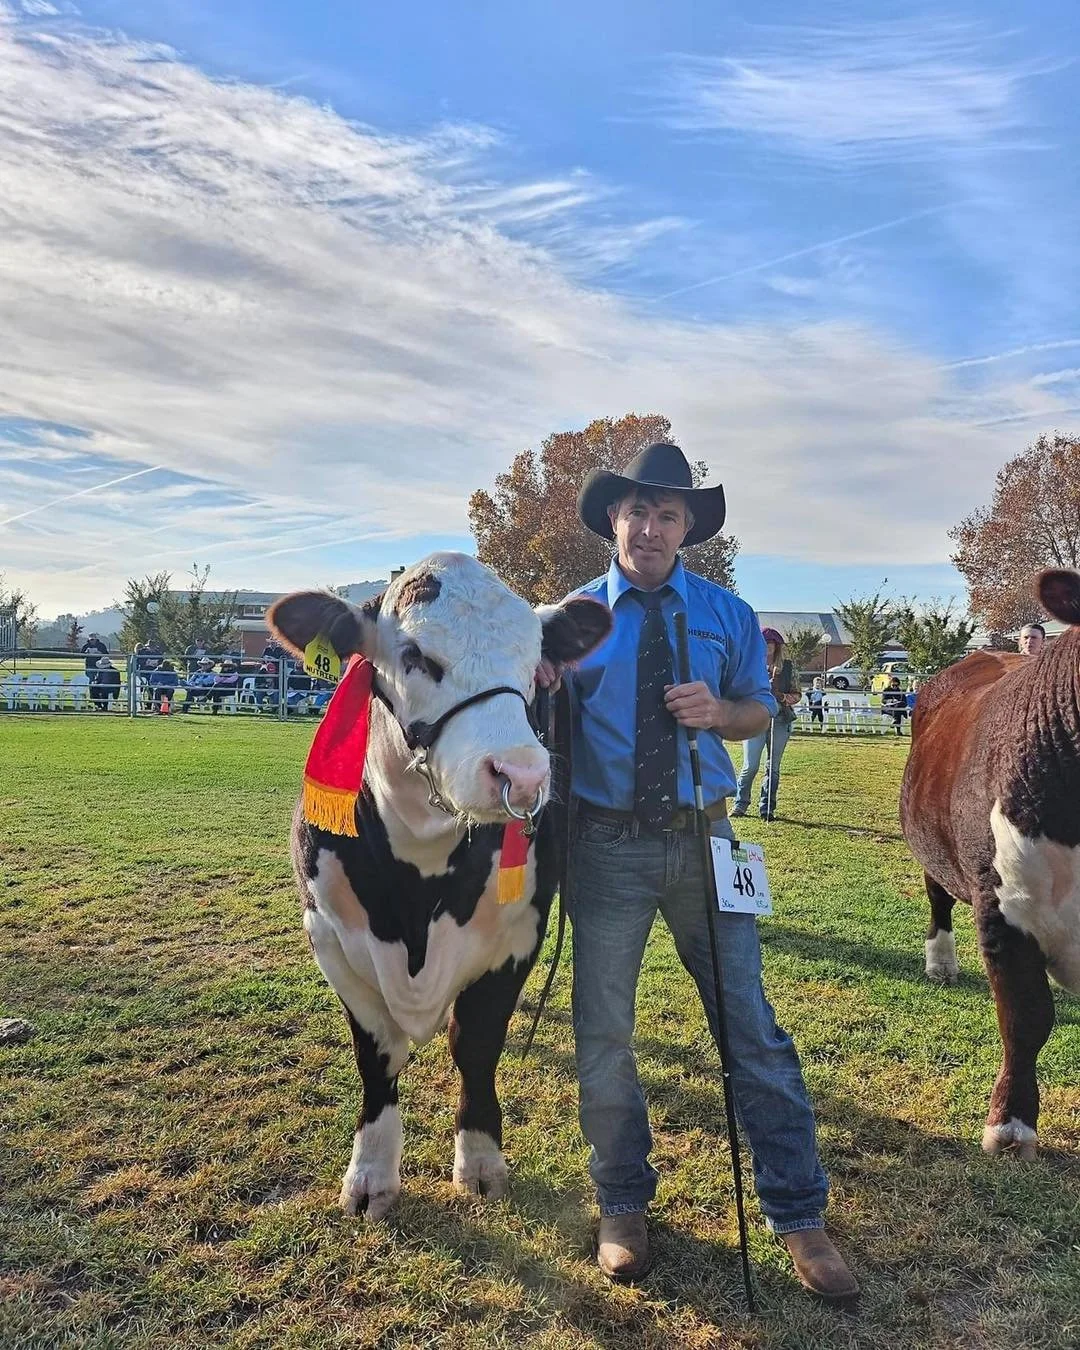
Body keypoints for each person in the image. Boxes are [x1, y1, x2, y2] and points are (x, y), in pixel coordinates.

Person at [539, 442, 858, 1303]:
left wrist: (722, 712)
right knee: (603, 1034)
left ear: (689, 529)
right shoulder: (565, 621)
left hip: (709, 842)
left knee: (750, 1027)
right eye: (637, 511)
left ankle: (800, 1215)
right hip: (605, 850)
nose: (650, 527)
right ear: (613, 519)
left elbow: (761, 707)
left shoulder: (728, 613)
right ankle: (622, 1203)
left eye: (668, 514)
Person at [731, 628, 800, 820]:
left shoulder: (787, 667)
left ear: (776, 646)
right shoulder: (749, 665)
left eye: (771, 643)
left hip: (779, 720)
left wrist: (782, 696)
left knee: (773, 767)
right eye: (764, 643)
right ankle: (740, 804)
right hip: (754, 718)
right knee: (750, 766)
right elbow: (738, 690)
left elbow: (797, 694)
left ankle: (767, 807)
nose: (767, 647)